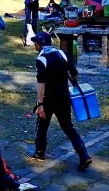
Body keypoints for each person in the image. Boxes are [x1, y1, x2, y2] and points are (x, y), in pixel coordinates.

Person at [30, 31, 91, 171]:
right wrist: (73, 86)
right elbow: (74, 73)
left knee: (42, 126)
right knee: (68, 127)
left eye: (35, 43)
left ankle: (39, 153)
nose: (34, 45)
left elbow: (41, 84)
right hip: (64, 97)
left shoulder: (41, 60)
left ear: (40, 45)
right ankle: (84, 155)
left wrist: (40, 104)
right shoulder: (62, 54)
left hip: (48, 100)